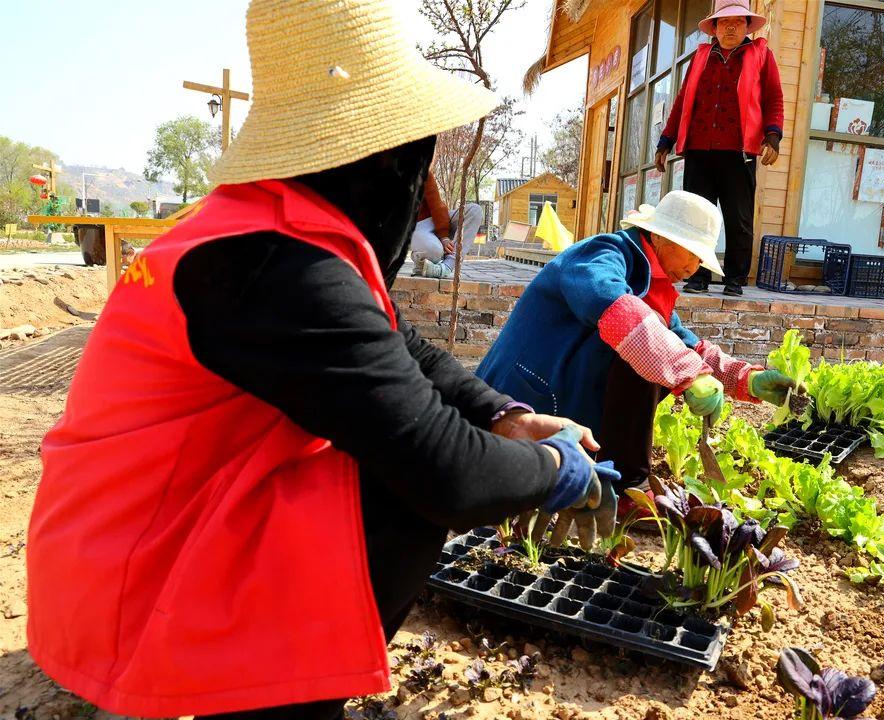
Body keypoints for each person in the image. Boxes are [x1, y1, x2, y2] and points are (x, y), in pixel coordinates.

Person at [25, 2, 617, 719]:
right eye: (418, 160)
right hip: (135, 580)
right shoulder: (274, 267)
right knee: (397, 487)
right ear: (384, 156)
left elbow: (397, 345)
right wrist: (557, 472)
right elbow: (446, 473)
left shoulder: (266, 227)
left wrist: (507, 416)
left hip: (136, 532)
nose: (429, 201)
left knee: (379, 459)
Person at [476, 191, 797, 538]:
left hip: (567, 399)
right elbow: (617, 310)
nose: (693, 268)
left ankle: (620, 480)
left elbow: (683, 341)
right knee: (644, 352)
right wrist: (689, 374)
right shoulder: (602, 255)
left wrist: (747, 379)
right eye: (691, 253)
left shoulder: (650, 282)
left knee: (656, 348)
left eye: (699, 260)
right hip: (523, 399)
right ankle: (630, 487)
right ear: (659, 236)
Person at [654, 0, 784, 296]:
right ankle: (696, 276)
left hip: (739, 152)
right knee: (694, 218)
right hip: (699, 151)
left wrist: (772, 135)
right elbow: (683, 102)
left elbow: (774, 99)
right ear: (714, 27)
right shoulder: (700, 57)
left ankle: (735, 279)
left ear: (747, 25)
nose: (730, 27)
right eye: (724, 22)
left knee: (739, 218)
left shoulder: (761, 55)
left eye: (737, 21)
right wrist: (666, 141)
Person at [410, 167, 484, 278]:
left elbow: (436, 205)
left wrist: (444, 236)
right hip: (415, 229)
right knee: (434, 252)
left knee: (475, 211)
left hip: (435, 221)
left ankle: (446, 267)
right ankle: (420, 260)